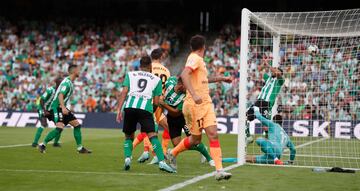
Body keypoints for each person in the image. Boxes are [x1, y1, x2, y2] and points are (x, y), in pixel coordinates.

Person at [167, 35, 232, 181]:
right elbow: (184, 74)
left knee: (213, 134)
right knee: (195, 140)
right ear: (204, 47)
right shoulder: (194, 58)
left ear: (191, 47)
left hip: (205, 104)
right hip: (194, 105)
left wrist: (221, 79)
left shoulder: (199, 61)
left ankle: (219, 170)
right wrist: (194, 94)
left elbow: (203, 80)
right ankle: (173, 152)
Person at [116, 56, 175, 173]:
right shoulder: (156, 79)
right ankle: (162, 162)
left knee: (128, 136)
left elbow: (124, 92)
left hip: (130, 107)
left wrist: (119, 109)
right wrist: (151, 111)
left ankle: (128, 158)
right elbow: (157, 102)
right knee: (152, 135)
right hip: (145, 108)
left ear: (139, 65)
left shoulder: (130, 75)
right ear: (150, 66)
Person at [158, 76, 214, 166]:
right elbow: (163, 88)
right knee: (177, 145)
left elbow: (176, 112)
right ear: (180, 84)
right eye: (186, 86)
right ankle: (202, 149)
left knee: (195, 140)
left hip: (184, 118)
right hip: (172, 120)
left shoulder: (185, 96)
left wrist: (163, 104)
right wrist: (161, 96)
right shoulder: (170, 82)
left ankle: (209, 159)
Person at [38, 64, 92, 154]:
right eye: (78, 70)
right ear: (74, 71)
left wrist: (64, 107)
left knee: (77, 125)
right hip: (56, 108)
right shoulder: (67, 82)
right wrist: (63, 107)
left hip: (62, 107)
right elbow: (60, 95)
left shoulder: (69, 82)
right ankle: (42, 144)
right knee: (59, 127)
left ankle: (80, 148)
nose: (80, 71)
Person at [133, 48, 172, 164]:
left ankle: (150, 152)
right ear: (161, 57)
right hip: (159, 102)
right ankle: (156, 153)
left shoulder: (148, 68)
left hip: (146, 100)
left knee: (148, 127)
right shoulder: (166, 70)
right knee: (153, 128)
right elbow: (167, 88)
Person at [246, 59, 284, 144]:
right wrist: (264, 63)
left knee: (266, 126)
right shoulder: (269, 78)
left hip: (267, 103)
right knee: (245, 117)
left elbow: (277, 73)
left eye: (276, 69)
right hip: (258, 102)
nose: (274, 71)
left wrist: (268, 65)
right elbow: (260, 70)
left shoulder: (280, 81)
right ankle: (248, 137)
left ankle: (271, 141)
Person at [31, 77, 63, 147]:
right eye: (61, 83)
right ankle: (35, 142)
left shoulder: (61, 92)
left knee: (60, 124)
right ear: (57, 83)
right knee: (44, 124)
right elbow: (42, 99)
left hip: (51, 110)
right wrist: (44, 110)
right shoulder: (50, 90)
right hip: (42, 108)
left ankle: (55, 143)